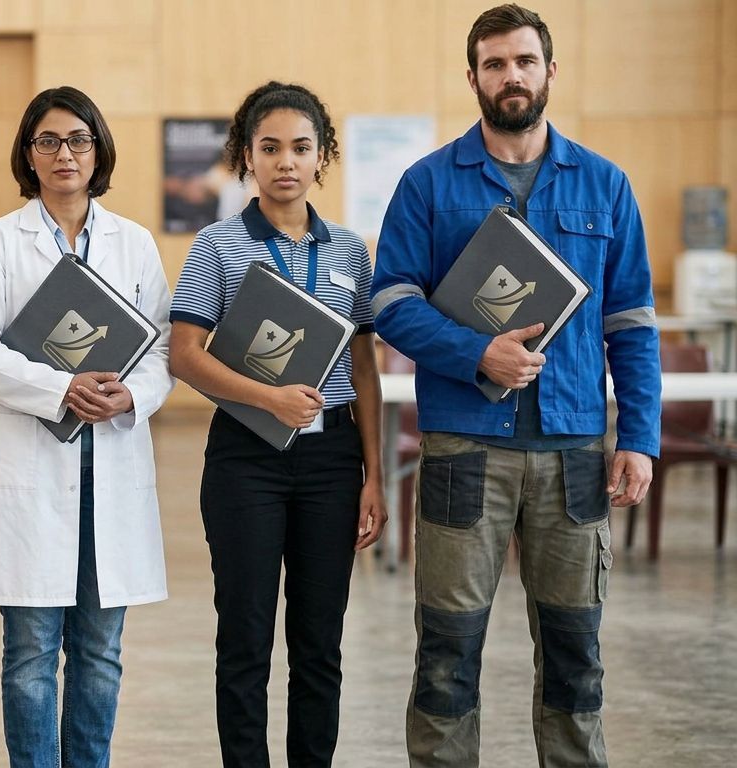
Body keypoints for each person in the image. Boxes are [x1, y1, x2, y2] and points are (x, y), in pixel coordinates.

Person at [370, 5, 660, 766]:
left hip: (573, 456)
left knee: (575, 655)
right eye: (494, 64)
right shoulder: (427, 184)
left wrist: (638, 438)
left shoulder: (605, 185)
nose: (511, 76)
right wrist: (477, 354)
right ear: (473, 77)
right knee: (446, 654)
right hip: (464, 452)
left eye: (525, 61)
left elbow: (632, 325)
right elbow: (389, 302)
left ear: (550, 71)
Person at [0, 86, 173, 768]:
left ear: (99, 150)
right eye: (47, 141)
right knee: (30, 654)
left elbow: (163, 349)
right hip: (31, 466)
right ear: (29, 154)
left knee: (101, 653)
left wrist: (131, 396)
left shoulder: (134, 243)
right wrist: (61, 389)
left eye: (78, 139)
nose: (64, 154)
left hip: (112, 464)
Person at [168, 81, 386, 767]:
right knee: (245, 640)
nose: (285, 161)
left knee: (320, 644)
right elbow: (184, 355)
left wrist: (375, 475)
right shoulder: (218, 245)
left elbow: (365, 367)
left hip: (333, 463)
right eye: (269, 148)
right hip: (245, 459)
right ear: (246, 157)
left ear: (322, 156)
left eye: (299, 147)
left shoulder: (350, 250)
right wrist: (268, 399)